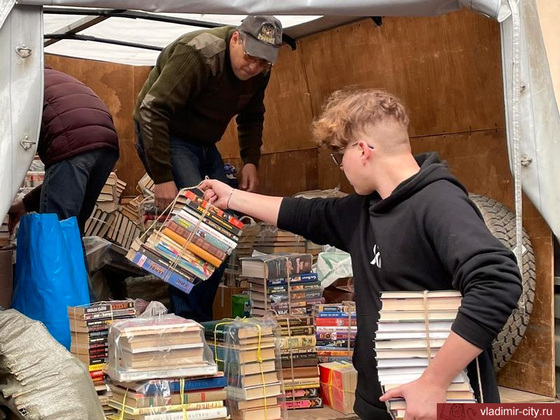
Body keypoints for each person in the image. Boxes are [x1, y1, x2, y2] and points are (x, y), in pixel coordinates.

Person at [199, 89, 522, 420]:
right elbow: (305, 214)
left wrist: (434, 382)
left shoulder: (439, 203)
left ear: (363, 150)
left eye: (340, 157)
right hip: (378, 401)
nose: (341, 167)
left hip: (437, 403)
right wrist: (231, 197)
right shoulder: (365, 209)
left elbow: (497, 284)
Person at [133, 15, 283, 321]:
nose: (253, 67)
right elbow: (152, 110)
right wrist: (162, 177)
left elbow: (252, 115)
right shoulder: (199, 53)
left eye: (263, 62)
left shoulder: (260, 71)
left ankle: (198, 316)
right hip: (167, 134)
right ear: (236, 38)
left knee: (226, 221)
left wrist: (250, 160)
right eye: (250, 56)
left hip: (203, 143)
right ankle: (188, 319)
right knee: (200, 224)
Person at [8, 67, 119, 236]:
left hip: (72, 138)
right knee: (73, 225)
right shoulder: (54, 77)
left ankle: (56, 254)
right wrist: (25, 205)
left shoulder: (17, 83)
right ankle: (74, 254)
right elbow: (62, 183)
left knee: (56, 227)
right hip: (106, 142)